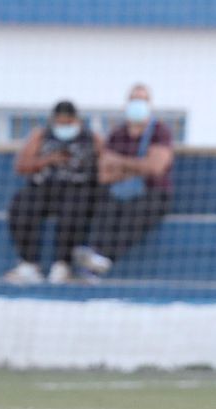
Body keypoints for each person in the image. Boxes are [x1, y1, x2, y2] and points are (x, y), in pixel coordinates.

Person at [72, 83, 174, 281]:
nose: (138, 104)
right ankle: (90, 262)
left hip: (153, 193)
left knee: (134, 215)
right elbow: (104, 174)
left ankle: (101, 260)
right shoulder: (117, 134)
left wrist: (120, 164)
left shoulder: (160, 131)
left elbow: (155, 168)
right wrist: (138, 167)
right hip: (120, 192)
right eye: (134, 99)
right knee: (103, 208)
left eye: (142, 100)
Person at [5, 100, 102, 285]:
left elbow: (105, 163)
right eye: (60, 122)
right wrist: (48, 160)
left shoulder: (92, 137)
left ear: (76, 120)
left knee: (73, 211)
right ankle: (29, 264)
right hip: (45, 188)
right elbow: (21, 165)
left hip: (77, 189)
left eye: (68, 123)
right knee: (21, 206)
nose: (64, 126)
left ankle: (62, 265)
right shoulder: (40, 135)